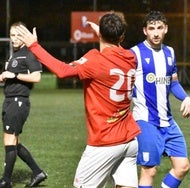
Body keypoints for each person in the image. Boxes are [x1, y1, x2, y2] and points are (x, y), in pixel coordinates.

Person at [16, 12, 141, 187]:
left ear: (101, 34)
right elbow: (115, 48)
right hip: (130, 141)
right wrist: (104, 33)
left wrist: (34, 46)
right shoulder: (131, 58)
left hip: (104, 142)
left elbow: (63, 71)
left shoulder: (95, 60)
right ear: (122, 37)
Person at [130, 11, 190, 188]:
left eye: (159, 28)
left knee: (182, 166)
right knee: (149, 171)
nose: (156, 33)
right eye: (151, 28)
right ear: (145, 31)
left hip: (168, 121)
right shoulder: (134, 53)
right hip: (145, 121)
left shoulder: (170, 52)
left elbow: (173, 84)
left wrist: (186, 97)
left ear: (166, 29)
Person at [0, 22, 47, 187]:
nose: (14, 38)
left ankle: (6, 180)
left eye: (17, 35)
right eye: (12, 35)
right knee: (12, 141)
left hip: (18, 101)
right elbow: (13, 75)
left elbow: (36, 77)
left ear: (24, 35)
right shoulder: (16, 54)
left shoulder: (29, 53)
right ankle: (37, 172)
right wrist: (6, 76)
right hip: (10, 100)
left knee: (10, 140)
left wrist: (13, 75)